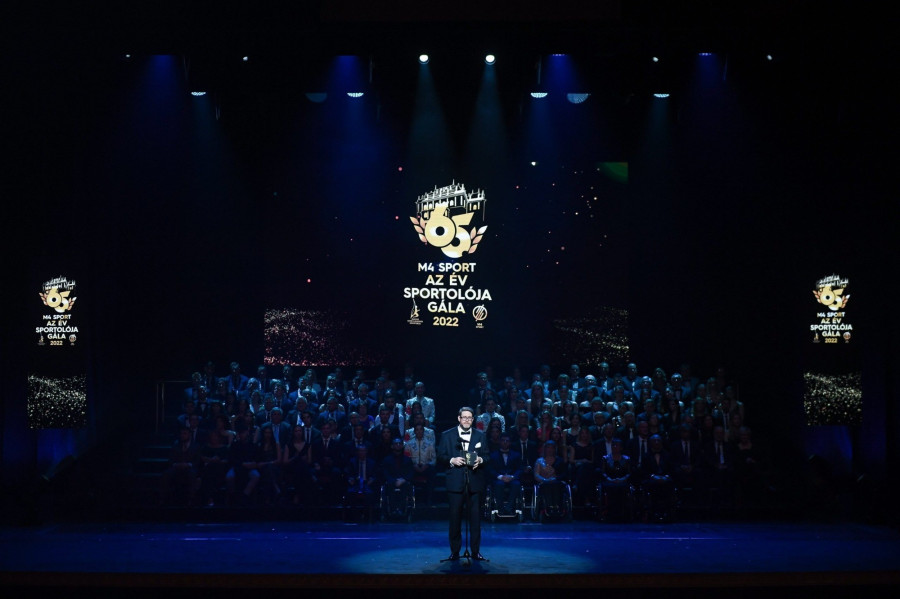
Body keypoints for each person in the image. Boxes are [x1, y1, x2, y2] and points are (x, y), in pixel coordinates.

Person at [437, 407, 489, 561]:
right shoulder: (447, 435)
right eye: (464, 417)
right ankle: (455, 551)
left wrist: (480, 460)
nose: (467, 420)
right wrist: (451, 460)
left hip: (474, 481)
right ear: (459, 418)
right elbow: (440, 456)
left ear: (473, 420)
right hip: (455, 482)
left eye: (469, 417)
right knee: (455, 519)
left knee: (475, 520)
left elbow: (487, 456)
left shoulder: (480, 435)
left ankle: (475, 551)